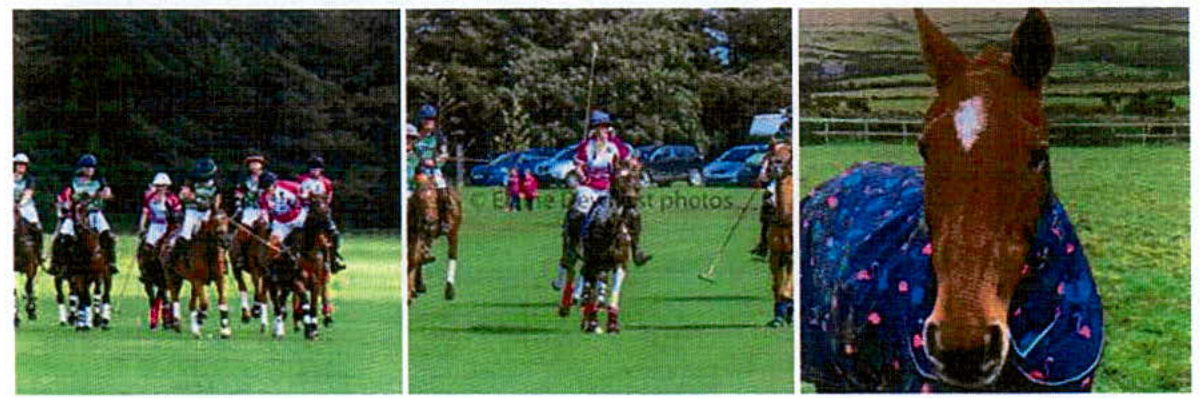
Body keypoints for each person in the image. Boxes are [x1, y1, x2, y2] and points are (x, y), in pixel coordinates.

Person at [55, 154, 118, 273]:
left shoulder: (99, 181)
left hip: (94, 213)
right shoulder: (73, 181)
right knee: (62, 237)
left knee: (108, 236)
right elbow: (65, 196)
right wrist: (66, 204)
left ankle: (110, 262)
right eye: (87, 167)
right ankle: (58, 264)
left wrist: (107, 193)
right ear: (81, 168)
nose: (90, 170)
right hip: (75, 214)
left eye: (92, 167)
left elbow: (108, 193)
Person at [166, 158, 222, 259]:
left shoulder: (215, 185)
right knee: (186, 234)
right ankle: (176, 258)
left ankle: (221, 261)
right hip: (192, 211)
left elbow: (214, 203)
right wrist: (184, 195)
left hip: (206, 212)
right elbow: (181, 196)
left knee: (216, 235)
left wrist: (196, 198)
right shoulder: (191, 182)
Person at [298, 154, 344, 273]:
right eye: (312, 168)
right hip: (305, 209)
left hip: (321, 211)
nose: (314, 171)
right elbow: (298, 195)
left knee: (334, 234)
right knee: (296, 229)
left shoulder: (326, 182)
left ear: (321, 169)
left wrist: (322, 206)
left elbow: (329, 197)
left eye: (317, 168)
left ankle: (333, 259)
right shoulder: (302, 180)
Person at [413, 104, 453, 234]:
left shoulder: (438, 135)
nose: (429, 122)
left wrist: (436, 161)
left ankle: (444, 220)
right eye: (426, 119)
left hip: (434, 170)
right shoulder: (414, 134)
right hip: (417, 170)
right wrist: (421, 161)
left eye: (432, 119)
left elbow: (444, 154)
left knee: (443, 191)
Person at [14, 153, 43, 261]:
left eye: (24, 164)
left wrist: (19, 204)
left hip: (25, 206)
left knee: (37, 227)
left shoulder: (29, 179)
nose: (22, 166)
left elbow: (28, 194)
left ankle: (38, 254)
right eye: (19, 164)